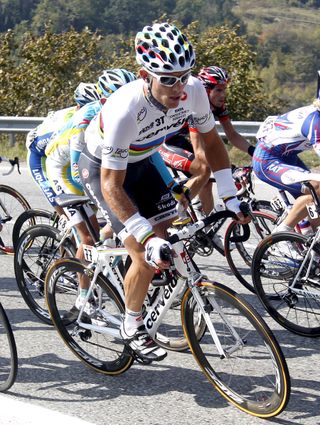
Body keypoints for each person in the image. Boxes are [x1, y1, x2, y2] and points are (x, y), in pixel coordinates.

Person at [79, 22, 248, 363]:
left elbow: (213, 143)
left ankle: (149, 284)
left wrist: (230, 194)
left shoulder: (195, 90)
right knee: (143, 250)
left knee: (168, 234)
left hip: (144, 159)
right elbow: (112, 184)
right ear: (145, 75)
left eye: (183, 76)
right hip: (103, 168)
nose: (178, 87)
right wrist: (143, 234)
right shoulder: (125, 109)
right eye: (167, 79)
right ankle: (132, 325)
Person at [45, 69, 137, 315]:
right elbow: (78, 174)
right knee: (89, 237)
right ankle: (83, 298)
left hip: (93, 167)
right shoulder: (86, 119)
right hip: (64, 169)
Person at [160, 66, 255, 217]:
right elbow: (199, 151)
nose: (223, 95)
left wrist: (255, 153)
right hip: (163, 143)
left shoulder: (217, 105)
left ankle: (205, 224)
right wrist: (231, 170)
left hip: (179, 139)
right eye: (218, 90)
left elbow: (232, 134)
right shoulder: (195, 106)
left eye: (224, 90)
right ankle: (176, 214)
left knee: (207, 181)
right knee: (203, 170)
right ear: (205, 89)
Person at [26, 82, 101, 217]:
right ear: (79, 106)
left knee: (89, 208)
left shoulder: (87, 114)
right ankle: (64, 224)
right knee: (60, 202)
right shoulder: (68, 123)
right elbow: (52, 154)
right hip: (40, 156)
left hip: (64, 157)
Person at [252, 97, 320, 236]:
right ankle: (281, 234)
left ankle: (312, 245)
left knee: (315, 207)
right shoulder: (315, 121)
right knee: (316, 188)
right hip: (267, 161)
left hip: (288, 158)